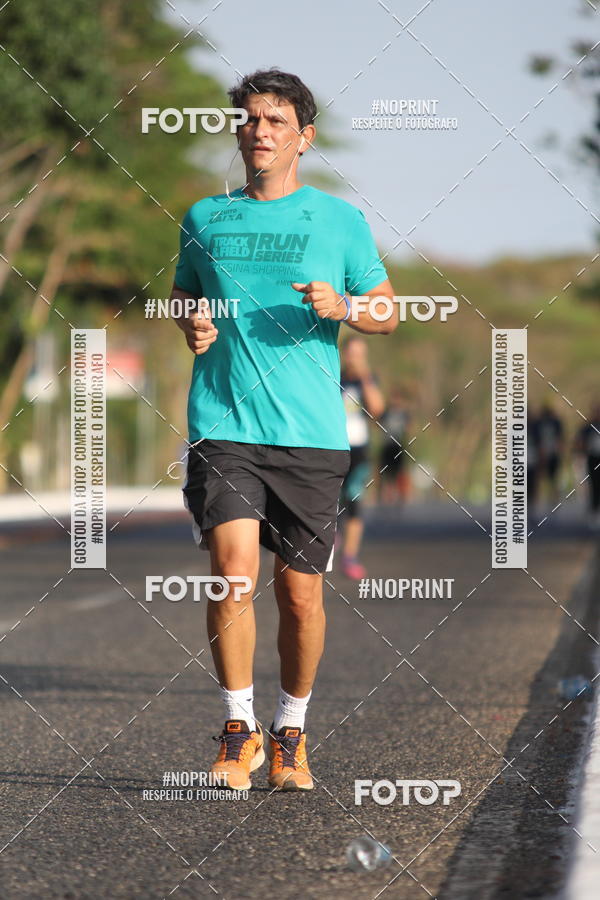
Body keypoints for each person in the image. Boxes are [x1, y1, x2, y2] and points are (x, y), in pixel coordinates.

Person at [170, 68, 396, 792]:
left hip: (310, 435)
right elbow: (182, 296)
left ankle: (290, 729)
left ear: (305, 136)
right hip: (224, 421)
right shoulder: (205, 216)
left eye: (275, 121)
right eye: (249, 120)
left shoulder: (340, 222)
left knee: (299, 596)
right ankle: (239, 730)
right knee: (232, 571)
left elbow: (388, 309)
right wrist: (191, 321)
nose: (259, 132)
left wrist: (344, 306)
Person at [338, 337, 385, 579]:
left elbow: (377, 409)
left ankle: (350, 556)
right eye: (352, 353)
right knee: (328, 501)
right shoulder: (333, 376)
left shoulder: (368, 380)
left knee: (354, 500)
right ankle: (327, 544)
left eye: (360, 354)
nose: (355, 358)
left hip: (359, 450)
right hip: (333, 447)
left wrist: (365, 377)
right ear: (343, 353)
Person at [379, 387, 411, 505]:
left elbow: (409, 428)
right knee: (386, 471)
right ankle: (387, 495)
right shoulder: (386, 413)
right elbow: (378, 423)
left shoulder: (404, 414)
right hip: (387, 445)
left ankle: (402, 495)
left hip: (398, 445)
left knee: (399, 471)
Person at [575, 404, 600, 529]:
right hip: (593, 459)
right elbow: (580, 441)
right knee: (594, 485)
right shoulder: (588, 426)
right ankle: (594, 511)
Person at [536, 403, 564, 503]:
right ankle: (543, 498)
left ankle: (554, 499)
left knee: (554, 477)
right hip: (542, 455)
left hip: (553, 454)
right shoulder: (538, 424)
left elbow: (560, 439)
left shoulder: (556, 423)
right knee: (542, 478)